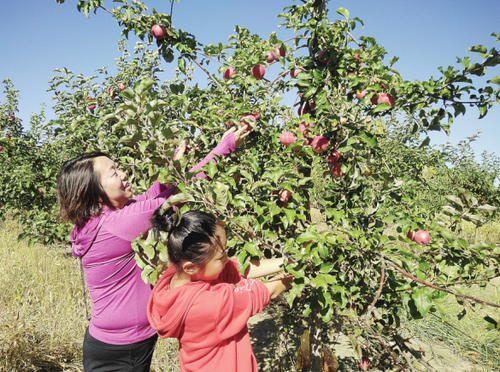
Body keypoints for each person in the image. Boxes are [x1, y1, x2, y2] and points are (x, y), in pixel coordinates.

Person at [56, 125, 249, 372]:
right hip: (124, 349)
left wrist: (173, 167)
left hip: (107, 341)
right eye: (114, 173)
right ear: (95, 192)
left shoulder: (95, 221)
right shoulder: (119, 224)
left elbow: (149, 197)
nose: (123, 173)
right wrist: (224, 147)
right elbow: (182, 192)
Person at [147, 208, 294, 372]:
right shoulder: (211, 305)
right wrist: (302, 269)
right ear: (191, 267)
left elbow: (239, 269)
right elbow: (268, 291)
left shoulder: (175, 276)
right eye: (221, 256)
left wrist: (286, 261)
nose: (227, 259)